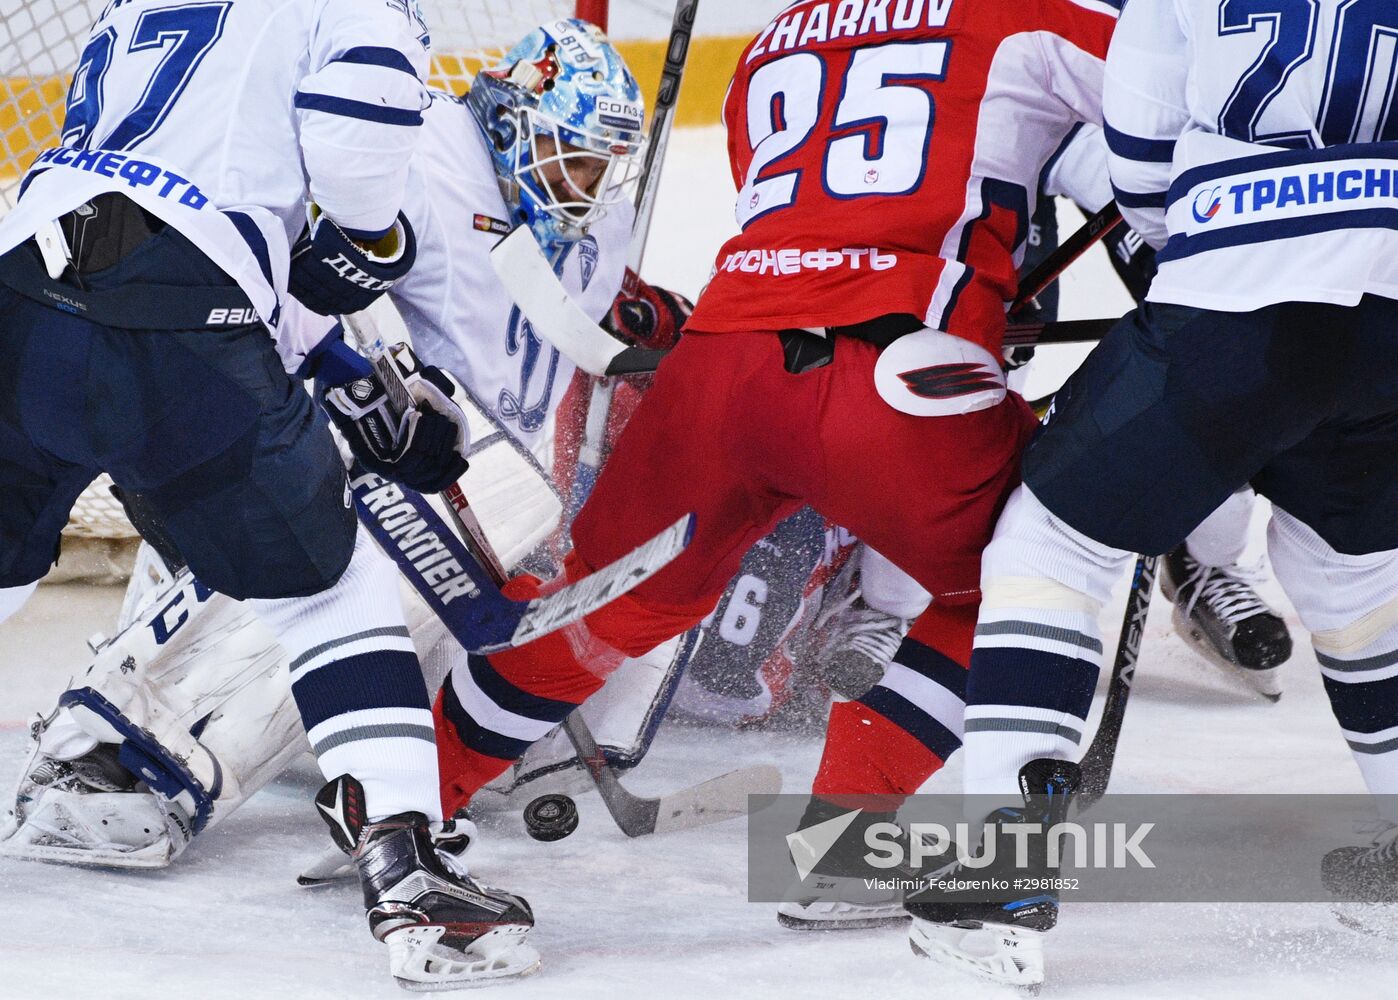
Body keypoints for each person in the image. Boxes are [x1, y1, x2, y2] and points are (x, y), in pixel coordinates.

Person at [3, 18, 681, 989]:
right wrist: (369, 250)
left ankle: (117, 731)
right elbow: (350, 149)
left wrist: (347, 366)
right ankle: (403, 875)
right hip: (185, 316)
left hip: (24, 267)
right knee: (331, 591)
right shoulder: (399, 72)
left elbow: (171, 184)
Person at [429, 0, 1117, 952]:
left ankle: (409, 805)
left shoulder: (772, 40)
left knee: (596, 604)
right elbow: (1171, 126)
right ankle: (845, 845)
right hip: (901, 375)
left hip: (721, 363)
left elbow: (793, 196)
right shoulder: (1026, 14)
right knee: (1025, 582)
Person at [906, 0, 1398, 987]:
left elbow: (1137, 159)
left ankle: (1001, 857)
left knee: (1054, 537)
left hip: (1241, 287)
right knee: (1354, 569)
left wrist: (1209, 261)